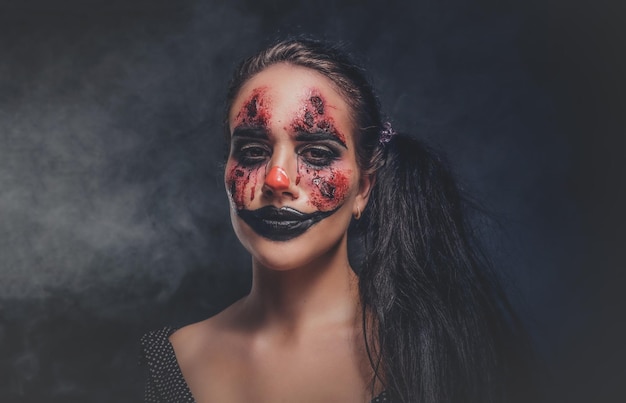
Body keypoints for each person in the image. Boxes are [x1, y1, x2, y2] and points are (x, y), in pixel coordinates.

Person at [140, 37, 534, 403]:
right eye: (253, 151)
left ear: (364, 188)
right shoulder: (168, 359)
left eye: (316, 154)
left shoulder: (440, 350)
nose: (277, 180)